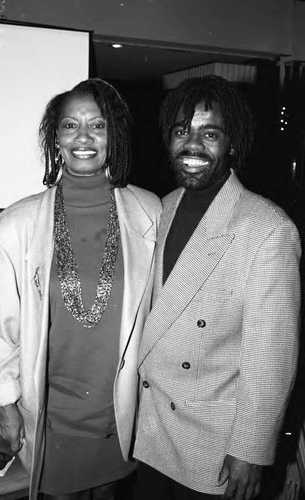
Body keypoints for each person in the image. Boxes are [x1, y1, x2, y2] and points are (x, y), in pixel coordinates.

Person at [0, 78, 161, 499]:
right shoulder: (16, 224)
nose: (84, 137)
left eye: (98, 125)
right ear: (54, 137)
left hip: (120, 412)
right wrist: (2, 401)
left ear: (113, 136)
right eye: (69, 125)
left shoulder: (151, 212)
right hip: (50, 417)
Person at [133, 75, 301, 500]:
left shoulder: (267, 228)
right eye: (181, 131)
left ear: (232, 144)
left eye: (210, 134)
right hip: (149, 428)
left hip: (212, 445)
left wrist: (252, 448)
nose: (192, 146)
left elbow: (271, 358)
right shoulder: (159, 208)